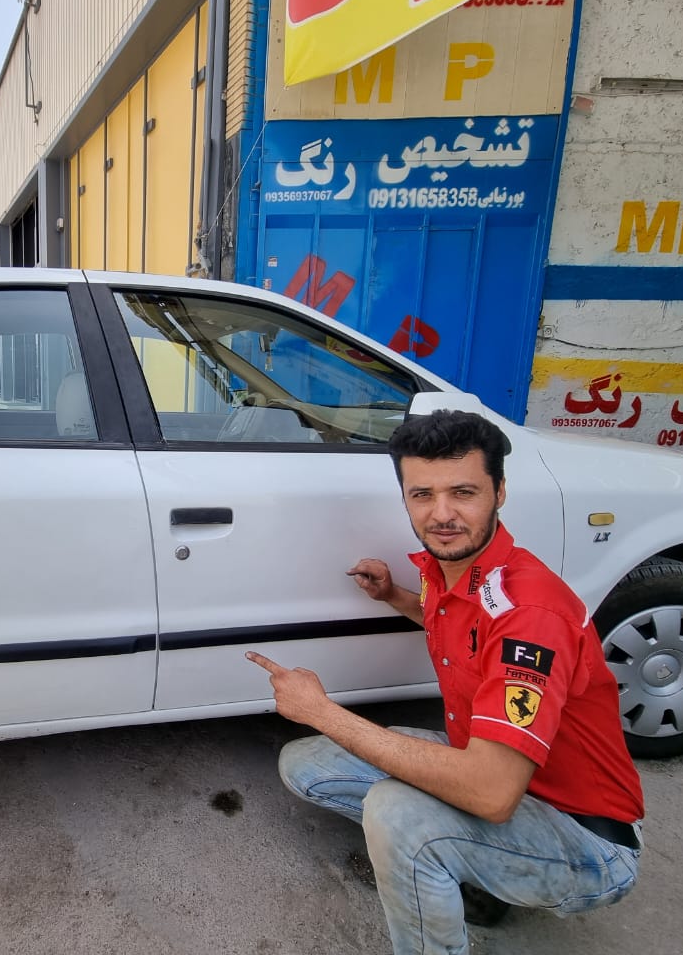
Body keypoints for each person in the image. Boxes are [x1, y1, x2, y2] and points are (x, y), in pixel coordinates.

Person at [247, 409, 643, 955]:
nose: (442, 514)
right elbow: (454, 621)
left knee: (399, 815)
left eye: (463, 492)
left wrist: (320, 710)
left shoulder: (530, 613)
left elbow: (490, 793)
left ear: (499, 492)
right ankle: (473, 866)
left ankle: (453, 870)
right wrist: (393, 595)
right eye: (422, 495)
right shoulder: (452, 572)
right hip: (498, 775)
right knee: (308, 765)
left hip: (585, 838)